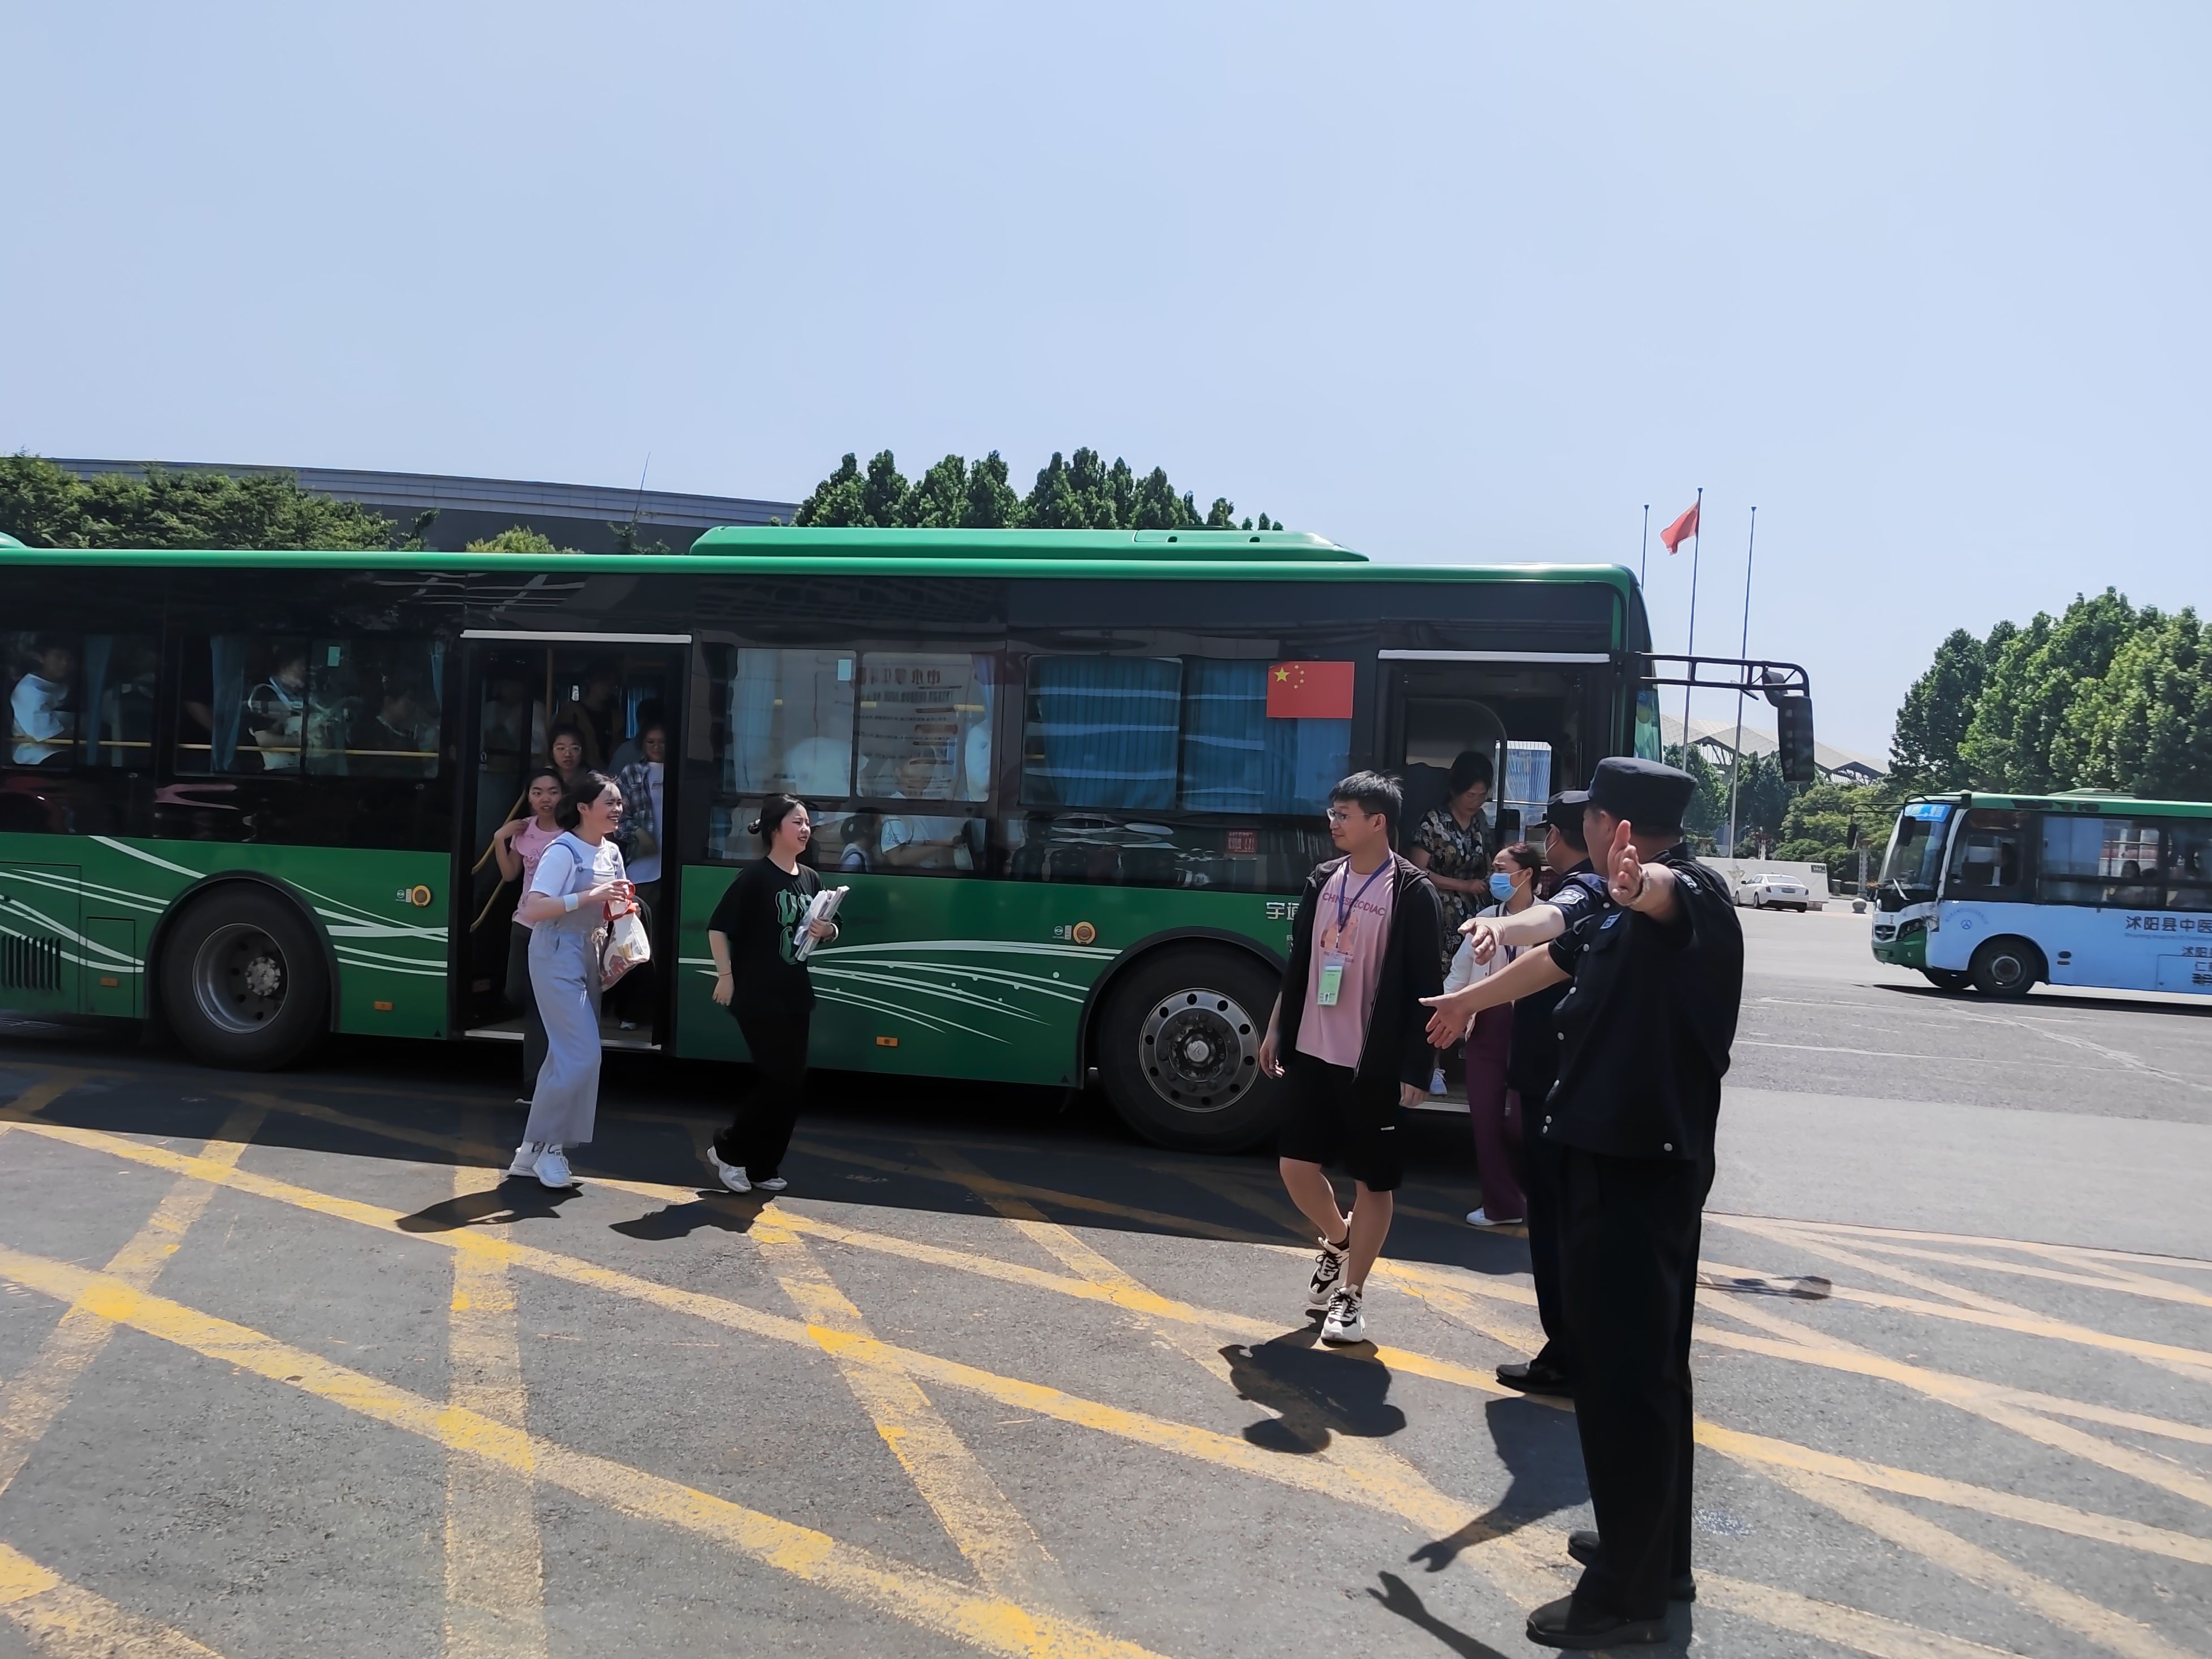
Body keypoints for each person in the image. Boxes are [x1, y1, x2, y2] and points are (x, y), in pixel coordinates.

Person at [1422, 759, 1743, 1648]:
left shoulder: (1687, 893)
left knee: (1624, 1383)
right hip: (1624, 1163)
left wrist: (1644, 887)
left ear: (1608, 823)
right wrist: (1465, 999)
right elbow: (1551, 953)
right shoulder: (1609, 904)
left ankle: (1626, 1600)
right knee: (1648, 1375)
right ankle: (1656, 1555)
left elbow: (1667, 897)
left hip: (1637, 1171)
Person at [1257, 772, 1444, 1347]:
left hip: (1372, 1062)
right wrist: (1276, 1028)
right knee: (1296, 1167)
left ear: (1377, 822)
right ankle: (1339, 1240)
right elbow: (1301, 963)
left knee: (1373, 1183)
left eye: (1344, 814)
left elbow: (1426, 985)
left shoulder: (1412, 892)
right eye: (1333, 812)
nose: (1333, 822)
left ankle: (1352, 1295)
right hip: (1313, 1050)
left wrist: (1418, 1066)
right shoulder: (1323, 879)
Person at [1486, 790, 1607, 1398]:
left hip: (1552, 1083)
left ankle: (1566, 1352)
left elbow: (1550, 928)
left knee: (1556, 1220)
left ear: (1559, 837)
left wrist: (1500, 926)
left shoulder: (1584, 891)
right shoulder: (1611, 889)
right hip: (1570, 1080)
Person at [704, 793, 840, 1194]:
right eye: (797, 822)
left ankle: (763, 1165)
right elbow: (718, 927)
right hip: (757, 993)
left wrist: (828, 931)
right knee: (777, 1078)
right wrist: (726, 976)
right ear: (774, 829)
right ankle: (729, 1151)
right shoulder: (755, 877)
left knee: (792, 1083)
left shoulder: (810, 878)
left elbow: (829, 927)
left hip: (795, 991)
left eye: (808, 823)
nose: (805, 829)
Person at [508, 772, 632, 1191]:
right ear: (583, 808)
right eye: (609, 802)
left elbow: (611, 907)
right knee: (582, 1056)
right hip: (555, 951)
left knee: (563, 1058)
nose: (617, 809)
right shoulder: (562, 850)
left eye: (619, 802)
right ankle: (551, 1148)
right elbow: (534, 908)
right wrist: (591, 897)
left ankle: (530, 1150)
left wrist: (622, 908)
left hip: (589, 951)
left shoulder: (612, 852)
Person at [1444, 841, 1545, 1228]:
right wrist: (1448, 1007)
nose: (1494, 877)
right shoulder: (1484, 918)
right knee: (1485, 1121)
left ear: (1526, 874)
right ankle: (1500, 1206)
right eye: (1494, 869)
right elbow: (1460, 972)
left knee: (1522, 1123)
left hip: (1532, 1028)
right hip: (1487, 1025)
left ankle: (1527, 1193)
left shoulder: (1548, 918)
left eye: (1502, 869)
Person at [491, 767, 565, 1101]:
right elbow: (510, 874)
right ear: (529, 797)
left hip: (555, 930)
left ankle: (535, 1085)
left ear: (563, 796)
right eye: (538, 792)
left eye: (552, 791)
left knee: (538, 1008)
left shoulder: (572, 833)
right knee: (514, 992)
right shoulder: (525, 830)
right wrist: (499, 838)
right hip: (523, 925)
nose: (545, 798)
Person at [1408, 748, 1494, 960]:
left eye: (1482, 796)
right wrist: (1463, 886)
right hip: (1439, 914)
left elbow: (1488, 861)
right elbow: (1417, 871)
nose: (1476, 802)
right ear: (1455, 790)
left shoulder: (1480, 821)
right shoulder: (1433, 822)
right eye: (1470, 795)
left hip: (1475, 915)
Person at [612, 722, 669, 1031]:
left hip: (673, 869)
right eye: (651, 742)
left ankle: (660, 1011)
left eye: (662, 741)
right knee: (635, 942)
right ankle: (630, 1011)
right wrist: (638, 832)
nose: (657, 747)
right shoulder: (632, 773)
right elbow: (616, 818)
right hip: (641, 870)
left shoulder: (685, 773)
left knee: (664, 944)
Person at [10, 637, 76, 765]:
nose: (65, 664)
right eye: (58, 657)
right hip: (38, 757)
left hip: (68, 752)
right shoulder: (29, 690)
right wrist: (88, 733)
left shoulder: (69, 684)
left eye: (69, 659)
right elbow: (51, 738)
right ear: (41, 658)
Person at [547, 724, 589, 790]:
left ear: (582, 751)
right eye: (561, 748)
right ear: (551, 752)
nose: (568, 755)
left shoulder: (593, 780)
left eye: (574, 748)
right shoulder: (544, 776)